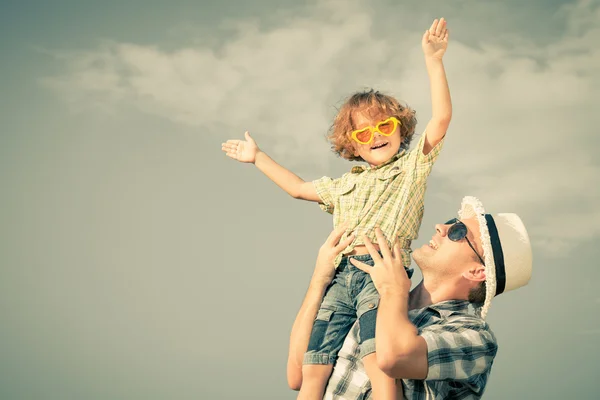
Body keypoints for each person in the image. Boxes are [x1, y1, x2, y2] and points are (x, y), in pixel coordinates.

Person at [223, 18, 452, 400]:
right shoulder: (344, 184)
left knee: (377, 359)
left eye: (385, 126)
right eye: (364, 133)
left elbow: (441, 119)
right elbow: (297, 188)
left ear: (401, 128)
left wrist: (434, 61)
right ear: (353, 146)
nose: (376, 136)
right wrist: (258, 157)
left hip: (381, 273)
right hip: (339, 274)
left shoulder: (412, 169)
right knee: (314, 365)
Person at [287, 196, 533, 399]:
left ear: (476, 271)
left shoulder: (475, 338)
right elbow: (298, 374)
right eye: (451, 222)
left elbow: (394, 357)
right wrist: (320, 279)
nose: (441, 227)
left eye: (458, 232)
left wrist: (392, 291)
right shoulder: (377, 296)